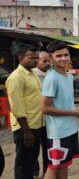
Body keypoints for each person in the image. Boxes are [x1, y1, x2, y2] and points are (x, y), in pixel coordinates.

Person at [41, 41, 79, 179]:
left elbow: (65, 103)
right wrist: (74, 113)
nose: (63, 58)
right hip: (58, 131)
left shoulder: (69, 76)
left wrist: (78, 110)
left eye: (66, 55)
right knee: (54, 166)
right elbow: (45, 108)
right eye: (58, 56)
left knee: (64, 164)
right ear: (51, 58)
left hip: (70, 128)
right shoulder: (51, 78)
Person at [6, 42, 43, 179]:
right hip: (25, 127)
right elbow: (17, 107)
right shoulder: (16, 78)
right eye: (32, 57)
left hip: (36, 124)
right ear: (21, 57)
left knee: (31, 162)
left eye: (37, 57)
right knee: (23, 163)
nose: (35, 60)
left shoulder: (32, 73)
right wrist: (26, 131)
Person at [32, 50, 51, 178]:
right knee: (33, 150)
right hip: (34, 119)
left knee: (48, 148)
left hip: (49, 119)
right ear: (37, 61)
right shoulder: (32, 74)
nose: (48, 63)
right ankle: (34, 172)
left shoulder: (51, 74)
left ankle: (47, 172)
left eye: (49, 60)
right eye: (44, 61)